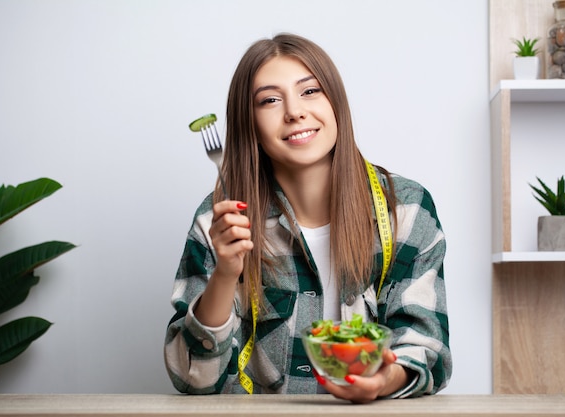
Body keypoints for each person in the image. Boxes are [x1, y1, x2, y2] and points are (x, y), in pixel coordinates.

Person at [164, 33, 451, 403]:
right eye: (269, 100)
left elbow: (426, 347)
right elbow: (192, 377)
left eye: (310, 91)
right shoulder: (219, 219)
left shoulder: (406, 211)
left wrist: (383, 380)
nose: (294, 111)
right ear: (248, 122)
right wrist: (225, 273)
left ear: (336, 103)